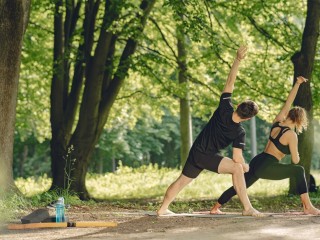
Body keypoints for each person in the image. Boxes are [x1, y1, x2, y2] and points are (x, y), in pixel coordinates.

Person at [157, 46, 263, 217]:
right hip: (206, 155)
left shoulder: (224, 107)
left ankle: (162, 209)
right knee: (237, 168)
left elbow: (230, 82)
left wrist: (238, 59)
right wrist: (244, 165)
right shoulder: (239, 132)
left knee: (181, 181)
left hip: (196, 151)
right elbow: (237, 158)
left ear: (238, 106)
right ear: (248, 118)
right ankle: (247, 208)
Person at [210, 76, 320, 215]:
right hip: (268, 165)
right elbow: (295, 161)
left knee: (240, 185)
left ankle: (215, 207)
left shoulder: (278, 122)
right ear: (299, 121)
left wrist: (297, 83)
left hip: (258, 161)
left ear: (289, 115)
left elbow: (288, 102)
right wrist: (296, 152)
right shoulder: (292, 135)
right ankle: (307, 206)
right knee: (298, 170)